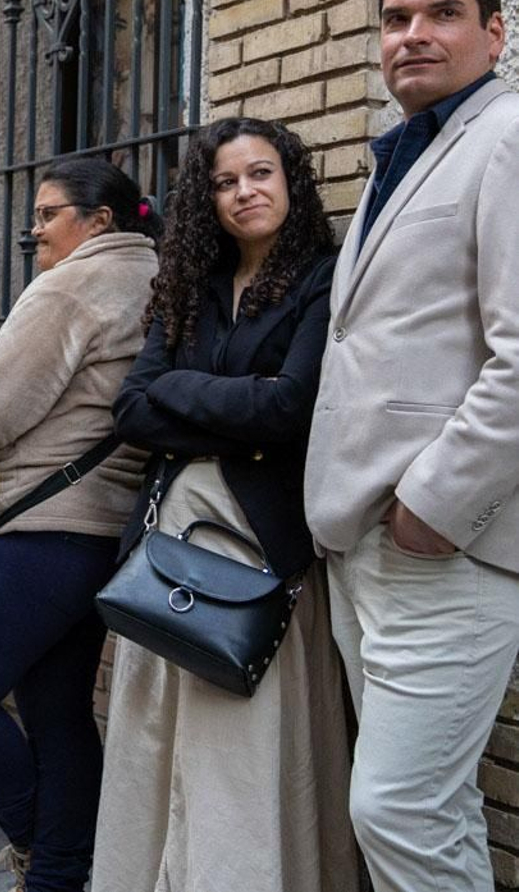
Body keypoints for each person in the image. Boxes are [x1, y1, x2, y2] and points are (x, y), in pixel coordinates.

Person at [305, 0, 519, 892]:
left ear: (495, 33)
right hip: (368, 545)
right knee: (433, 807)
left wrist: (433, 503)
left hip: (445, 547)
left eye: (443, 14)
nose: (413, 35)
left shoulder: (507, 136)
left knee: (396, 809)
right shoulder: (413, 149)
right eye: (396, 19)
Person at [93, 118, 355, 891]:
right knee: (155, 740)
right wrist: (233, 404)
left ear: (290, 180)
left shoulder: (323, 278)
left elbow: (291, 408)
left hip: (258, 544)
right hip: (167, 544)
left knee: (238, 744)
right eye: (224, 182)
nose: (245, 191)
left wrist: (179, 388)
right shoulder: (192, 287)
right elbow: (130, 409)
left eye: (261, 173)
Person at [0, 158, 157, 892]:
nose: (35, 228)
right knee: (57, 712)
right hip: (100, 535)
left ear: (99, 221)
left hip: (42, 531)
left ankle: (36, 838)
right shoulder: (152, 276)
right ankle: (59, 874)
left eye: (49, 215)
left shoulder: (74, 285)